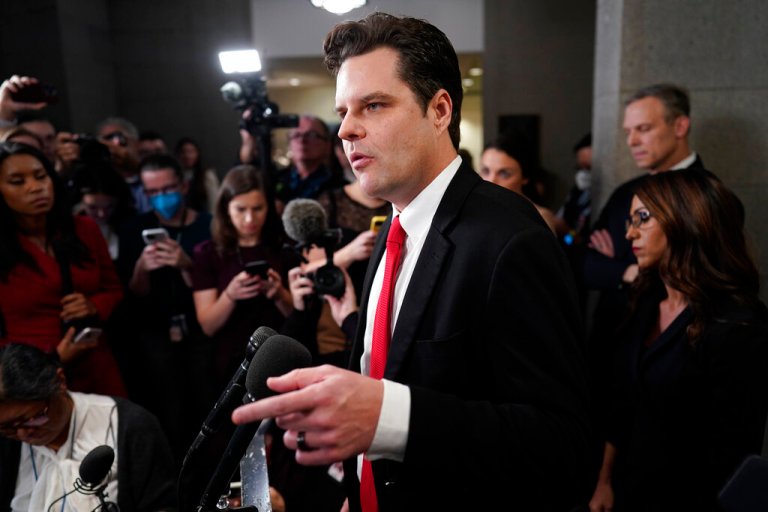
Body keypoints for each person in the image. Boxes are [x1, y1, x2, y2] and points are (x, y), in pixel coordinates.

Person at [232, 12, 591, 511]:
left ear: (439, 109)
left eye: (373, 106)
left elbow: (564, 447)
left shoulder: (510, 237)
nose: (346, 131)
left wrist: (389, 418)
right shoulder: (395, 227)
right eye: (343, 112)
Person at [588, 169, 768, 511]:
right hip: (625, 492)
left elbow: (732, 452)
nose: (629, 233)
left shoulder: (739, 323)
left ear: (686, 218)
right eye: (629, 220)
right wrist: (603, 481)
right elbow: (620, 405)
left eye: (642, 218)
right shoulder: (643, 301)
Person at [584, 84, 707, 443]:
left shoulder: (708, 194)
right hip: (610, 354)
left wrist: (620, 266)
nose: (633, 140)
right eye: (628, 132)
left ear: (680, 126)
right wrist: (628, 269)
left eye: (644, 128)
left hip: (670, 369)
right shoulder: (626, 192)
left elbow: (695, 273)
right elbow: (585, 263)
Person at [0, 142, 126, 397]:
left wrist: (94, 305)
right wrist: (54, 357)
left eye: (40, 176)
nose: (35, 187)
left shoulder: (84, 229)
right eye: (17, 181)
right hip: (31, 378)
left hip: (95, 364)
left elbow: (114, 289)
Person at [116, 153, 213, 468]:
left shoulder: (207, 226)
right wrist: (142, 268)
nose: (162, 198)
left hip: (199, 333)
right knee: (169, 413)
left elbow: (214, 286)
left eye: (168, 189)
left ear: (183, 186)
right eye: (153, 192)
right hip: (155, 335)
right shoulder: (134, 229)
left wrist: (187, 266)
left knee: (207, 407)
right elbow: (133, 294)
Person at [0, 343, 177, 511]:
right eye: (8, 427)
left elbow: (161, 505)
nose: (23, 433)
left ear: (60, 381)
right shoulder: (7, 446)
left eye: (34, 418)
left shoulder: (129, 424)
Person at [191, 164, 294, 390]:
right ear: (226, 209)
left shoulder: (284, 248)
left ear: (269, 207)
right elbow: (208, 325)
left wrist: (279, 295)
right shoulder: (208, 253)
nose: (250, 219)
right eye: (241, 209)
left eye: (258, 208)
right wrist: (230, 295)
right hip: (229, 360)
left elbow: (298, 318)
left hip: (278, 355)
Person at [479, 132, 559, 232]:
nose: (491, 181)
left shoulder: (539, 217)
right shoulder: (474, 210)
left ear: (525, 177)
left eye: (504, 174)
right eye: (486, 171)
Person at [273, 115, 346, 211]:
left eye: (312, 135)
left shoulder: (341, 188)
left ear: (328, 145)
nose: (302, 140)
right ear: (289, 144)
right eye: (296, 135)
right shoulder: (272, 180)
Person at [175, 136, 219, 214]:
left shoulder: (206, 175)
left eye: (191, 152)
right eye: (183, 152)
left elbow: (214, 203)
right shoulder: (174, 176)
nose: (187, 156)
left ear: (197, 154)